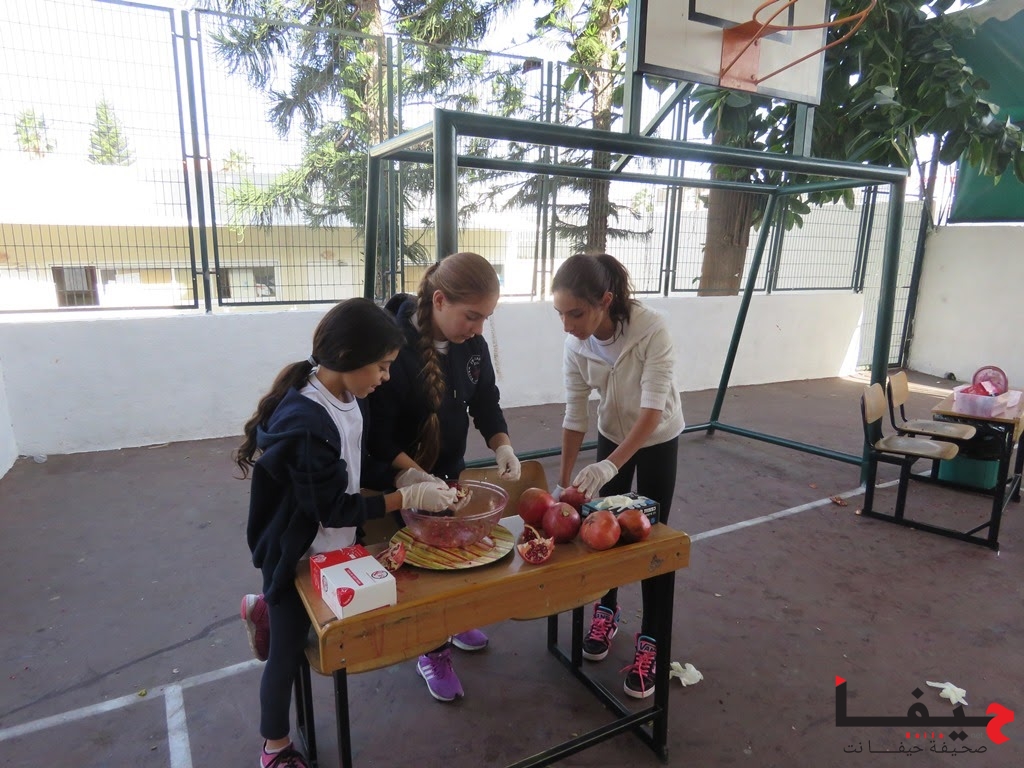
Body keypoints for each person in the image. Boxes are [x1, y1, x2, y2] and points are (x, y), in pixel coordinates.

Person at [236, 298, 459, 768]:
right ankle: (274, 747)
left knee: (349, 623)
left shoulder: (350, 399)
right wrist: (405, 498)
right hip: (295, 556)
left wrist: (405, 475)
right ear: (346, 358)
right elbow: (333, 507)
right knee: (287, 654)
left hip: (334, 544)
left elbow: (351, 467)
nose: (386, 377)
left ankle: (265, 608)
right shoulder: (306, 423)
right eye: (381, 366)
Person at [367, 251, 522, 703]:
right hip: (399, 476)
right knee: (422, 567)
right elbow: (376, 434)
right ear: (439, 301)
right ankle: (431, 648)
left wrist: (502, 444)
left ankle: (450, 622)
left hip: (448, 471)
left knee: (453, 551)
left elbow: (486, 401)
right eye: (472, 316)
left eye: (485, 318)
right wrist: (413, 477)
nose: (478, 328)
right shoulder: (392, 348)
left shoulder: (472, 347)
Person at [551, 252, 684, 700]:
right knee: (600, 532)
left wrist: (610, 465)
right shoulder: (575, 345)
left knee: (652, 540)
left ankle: (652, 639)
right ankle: (606, 612)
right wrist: (564, 483)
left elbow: (651, 411)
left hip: (657, 437)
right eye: (560, 313)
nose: (567, 324)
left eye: (576, 313)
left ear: (605, 301)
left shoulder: (652, 330)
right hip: (611, 432)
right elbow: (574, 414)